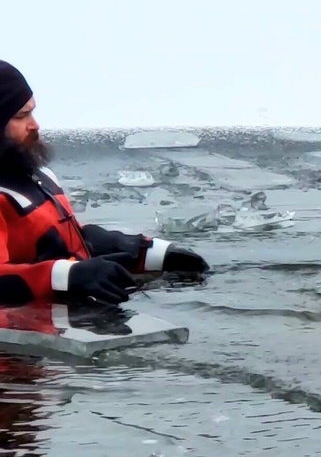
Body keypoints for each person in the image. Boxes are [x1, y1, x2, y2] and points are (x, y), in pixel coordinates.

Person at [0, 60, 208, 307]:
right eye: (22, 115)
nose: (35, 125)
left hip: (75, 321)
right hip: (25, 340)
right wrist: (70, 276)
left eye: (33, 112)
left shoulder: (39, 177)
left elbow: (68, 241)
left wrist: (149, 253)